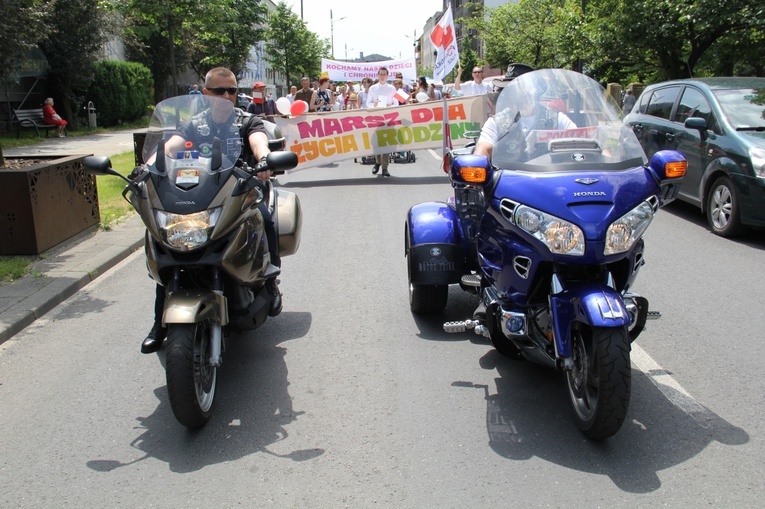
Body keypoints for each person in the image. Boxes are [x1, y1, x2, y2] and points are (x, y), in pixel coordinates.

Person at [140, 67, 282, 354]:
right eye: (219, 91)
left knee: (265, 218)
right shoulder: (195, 123)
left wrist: (264, 159)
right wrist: (148, 166)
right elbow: (170, 146)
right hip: (201, 195)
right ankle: (159, 322)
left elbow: (258, 141)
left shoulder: (246, 121)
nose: (226, 96)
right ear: (205, 93)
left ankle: (269, 282)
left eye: (231, 90)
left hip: (241, 191)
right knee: (167, 240)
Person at [474, 66, 576, 160]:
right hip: (510, 179)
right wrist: (477, 161)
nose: (509, 95)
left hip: (549, 178)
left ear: (533, 91)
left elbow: (580, 144)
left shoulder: (556, 119)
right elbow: (483, 150)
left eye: (517, 89)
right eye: (507, 90)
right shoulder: (496, 123)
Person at [366, 67, 397, 176]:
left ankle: (385, 167)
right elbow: (368, 103)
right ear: (378, 75)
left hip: (388, 119)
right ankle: (377, 162)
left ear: (387, 76)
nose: (382, 76)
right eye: (381, 74)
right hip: (376, 119)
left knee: (387, 143)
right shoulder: (372, 88)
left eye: (384, 74)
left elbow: (396, 103)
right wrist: (373, 105)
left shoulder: (392, 89)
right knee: (376, 143)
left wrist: (390, 105)